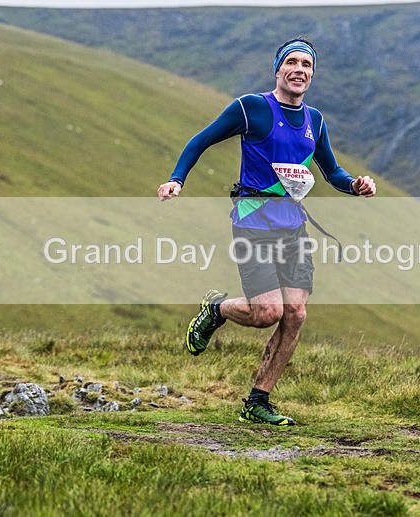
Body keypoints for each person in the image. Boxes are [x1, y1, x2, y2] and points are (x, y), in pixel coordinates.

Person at [158, 36, 376, 426]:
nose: (299, 70)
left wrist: (355, 185)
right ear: (278, 70)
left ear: (312, 74)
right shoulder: (252, 108)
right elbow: (201, 139)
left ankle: (258, 401)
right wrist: (177, 179)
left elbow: (332, 171)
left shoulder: (315, 120)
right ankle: (217, 308)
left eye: (306, 65)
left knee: (295, 313)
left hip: (293, 227)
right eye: (291, 63)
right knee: (266, 313)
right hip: (253, 223)